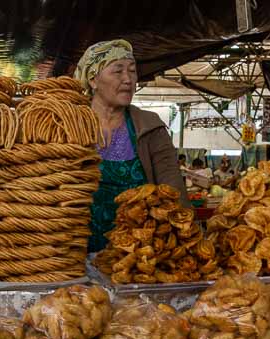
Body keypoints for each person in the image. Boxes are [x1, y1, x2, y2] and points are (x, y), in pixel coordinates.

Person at [74, 39, 189, 252]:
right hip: (72, 251)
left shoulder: (150, 126)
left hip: (137, 253)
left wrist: (181, 243)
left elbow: (173, 190)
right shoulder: (67, 125)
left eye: (132, 71)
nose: (128, 79)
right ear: (93, 80)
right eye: (118, 71)